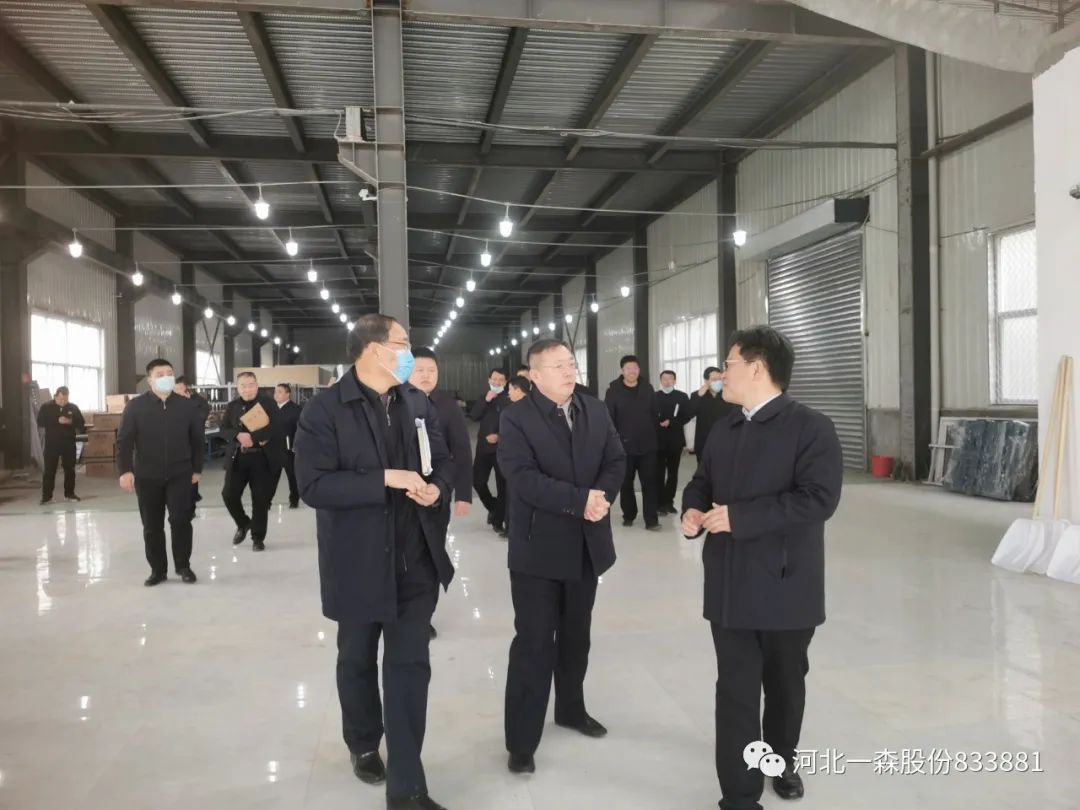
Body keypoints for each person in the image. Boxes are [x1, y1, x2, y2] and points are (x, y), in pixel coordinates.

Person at [294, 313, 455, 810]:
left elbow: (443, 461)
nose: (410, 353)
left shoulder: (417, 402)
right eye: (402, 343)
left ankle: (407, 786)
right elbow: (313, 485)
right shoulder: (325, 409)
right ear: (373, 349)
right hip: (358, 560)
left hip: (415, 558)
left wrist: (436, 489)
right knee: (357, 659)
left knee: (409, 669)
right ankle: (363, 742)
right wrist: (384, 478)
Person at [681, 326, 843, 810]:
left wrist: (741, 517)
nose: (721, 374)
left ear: (755, 368)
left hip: (785, 584)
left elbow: (818, 499)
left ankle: (781, 760)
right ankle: (739, 795)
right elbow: (702, 480)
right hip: (729, 582)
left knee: (785, 686)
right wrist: (693, 509)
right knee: (734, 691)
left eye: (728, 364)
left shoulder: (811, 428)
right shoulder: (724, 427)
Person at [497, 338, 626, 775]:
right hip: (538, 548)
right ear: (534, 375)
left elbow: (615, 459)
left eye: (570, 363)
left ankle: (571, 708)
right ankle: (521, 741)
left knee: (576, 636)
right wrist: (579, 500)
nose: (569, 371)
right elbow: (522, 477)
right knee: (534, 643)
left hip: (587, 545)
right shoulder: (516, 418)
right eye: (557, 366)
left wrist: (600, 498)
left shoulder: (595, 409)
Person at [116, 359, 205, 586]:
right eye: (160, 374)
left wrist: (197, 468)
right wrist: (125, 470)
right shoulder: (135, 407)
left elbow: (197, 440)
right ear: (150, 380)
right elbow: (124, 441)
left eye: (169, 373)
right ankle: (158, 570)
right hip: (147, 476)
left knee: (181, 520)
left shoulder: (187, 407)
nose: (166, 377)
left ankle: (183, 566)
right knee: (152, 525)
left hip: (180, 473)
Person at [410, 347, 473, 643]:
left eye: (431, 370)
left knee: (431, 553)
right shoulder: (395, 402)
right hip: (402, 493)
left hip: (438, 492)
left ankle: (424, 616)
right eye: (419, 370)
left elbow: (461, 450)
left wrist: (463, 494)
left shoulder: (447, 406)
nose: (426, 375)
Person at [220, 372, 285, 551]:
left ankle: (258, 537)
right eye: (243, 386)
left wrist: (252, 437)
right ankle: (243, 523)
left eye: (251, 385)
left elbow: (276, 427)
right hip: (238, 458)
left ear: (257, 385)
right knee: (228, 495)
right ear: (237, 387)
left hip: (261, 458)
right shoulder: (232, 406)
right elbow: (223, 429)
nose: (247, 389)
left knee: (260, 499)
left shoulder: (268, 404)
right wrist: (237, 435)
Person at [603, 355, 661, 530]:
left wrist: (654, 437)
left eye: (635, 368)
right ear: (622, 371)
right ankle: (629, 515)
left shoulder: (647, 388)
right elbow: (609, 419)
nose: (632, 371)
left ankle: (651, 520)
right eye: (628, 368)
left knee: (650, 482)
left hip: (648, 445)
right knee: (626, 482)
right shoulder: (613, 391)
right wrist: (613, 444)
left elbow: (654, 414)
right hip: (623, 446)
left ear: (639, 370)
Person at [469, 367, 509, 535]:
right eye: (494, 379)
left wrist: (500, 436)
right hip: (483, 449)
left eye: (500, 380)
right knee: (477, 481)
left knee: (503, 487)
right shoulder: (484, 397)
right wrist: (486, 400)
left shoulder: (509, 399)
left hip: (501, 450)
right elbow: (473, 416)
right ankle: (493, 507)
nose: (497, 382)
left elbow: (514, 424)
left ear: (505, 382)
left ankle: (498, 521)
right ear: (489, 380)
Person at [37, 386, 85, 505]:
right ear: (56, 396)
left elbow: (81, 423)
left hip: (68, 443)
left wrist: (70, 421)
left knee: (70, 469)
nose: (63, 401)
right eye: (61, 399)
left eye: (66, 399)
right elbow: (40, 421)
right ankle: (47, 497)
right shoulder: (46, 407)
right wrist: (56, 420)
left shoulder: (73, 408)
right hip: (52, 444)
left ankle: (69, 494)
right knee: (49, 470)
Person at [655, 370, 691, 515]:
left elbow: (687, 416)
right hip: (658, 440)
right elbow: (649, 415)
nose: (667, 381)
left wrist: (672, 422)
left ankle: (669, 502)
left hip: (675, 440)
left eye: (670, 379)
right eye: (664, 379)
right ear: (660, 381)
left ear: (675, 381)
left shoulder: (682, 396)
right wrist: (658, 422)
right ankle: (659, 503)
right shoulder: (654, 396)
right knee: (658, 473)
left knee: (672, 473)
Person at [174, 376, 211, 503]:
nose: (177, 391)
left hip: (194, 441)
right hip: (178, 442)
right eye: (175, 389)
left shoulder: (200, 402)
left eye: (179, 388)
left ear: (188, 388)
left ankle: (193, 497)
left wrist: (188, 403)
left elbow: (200, 418)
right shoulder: (174, 401)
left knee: (193, 470)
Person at [687, 365, 737, 458]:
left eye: (720, 379)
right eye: (714, 379)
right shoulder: (696, 395)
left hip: (725, 439)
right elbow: (689, 414)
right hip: (704, 440)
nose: (718, 382)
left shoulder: (729, 394)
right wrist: (699, 396)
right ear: (706, 381)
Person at [271, 383, 302, 509]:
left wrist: (297, 445)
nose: (276, 394)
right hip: (273, 450)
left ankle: (294, 500)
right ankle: (267, 501)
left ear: (287, 394)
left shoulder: (296, 409)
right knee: (271, 477)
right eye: (275, 392)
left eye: (279, 392)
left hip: (290, 450)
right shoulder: (271, 408)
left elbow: (301, 429)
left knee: (292, 476)